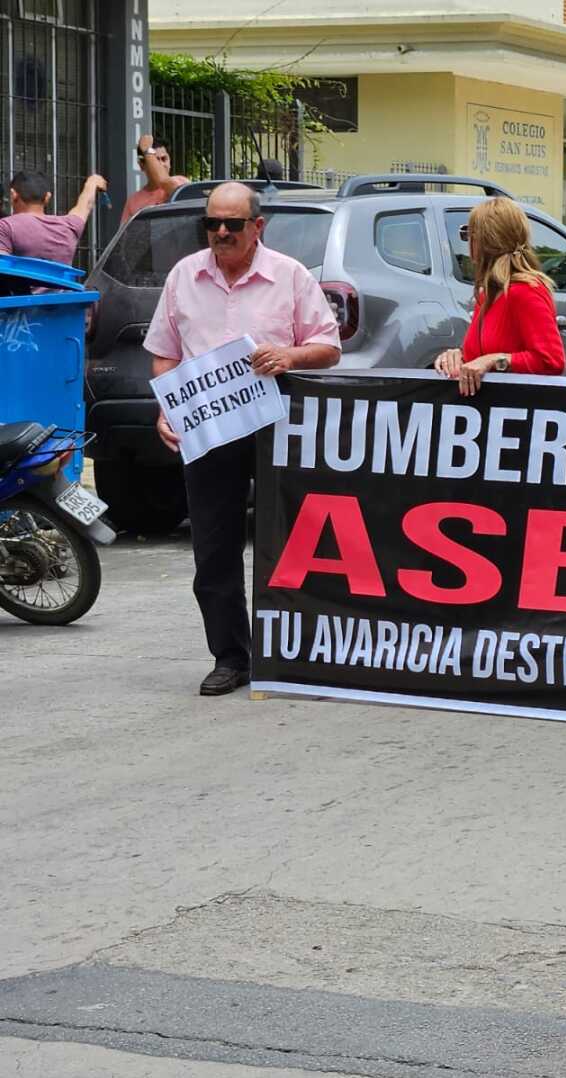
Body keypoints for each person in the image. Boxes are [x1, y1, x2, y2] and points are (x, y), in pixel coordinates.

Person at [145, 182, 341, 696]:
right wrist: (167, 407)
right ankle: (231, 657)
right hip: (209, 431)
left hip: (276, 425)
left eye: (233, 224)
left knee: (295, 541)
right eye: (213, 224)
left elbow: (328, 346)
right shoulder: (184, 277)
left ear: (258, 227)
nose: (222, 233)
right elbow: (164, 355)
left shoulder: (290, 277)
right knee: (214, 549)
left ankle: (301, 654)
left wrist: (290, 356)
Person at [433, 197, 565, 394]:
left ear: (484, 242)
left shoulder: (525, 290)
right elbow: (481, 356)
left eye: (469, 235)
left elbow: (552, 361)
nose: (468, 243)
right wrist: (457, 356)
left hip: (516, 412)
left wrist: (495, 360)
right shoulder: (488, 293)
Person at [0, 171, 107, 265]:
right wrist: (92, 182)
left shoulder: (5, 227)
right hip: (62, 288)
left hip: (19, 288)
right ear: (47, 197)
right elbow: (86, 204)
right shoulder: (69, 226)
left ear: (13, 195)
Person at [122, 134, 189, 224]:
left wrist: (147, 150)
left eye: (164, 159)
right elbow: (126, 235)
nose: (161, 164)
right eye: (156, 160)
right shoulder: (133, 201)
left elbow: (164, 182)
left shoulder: (181, 182)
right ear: (142, 165)